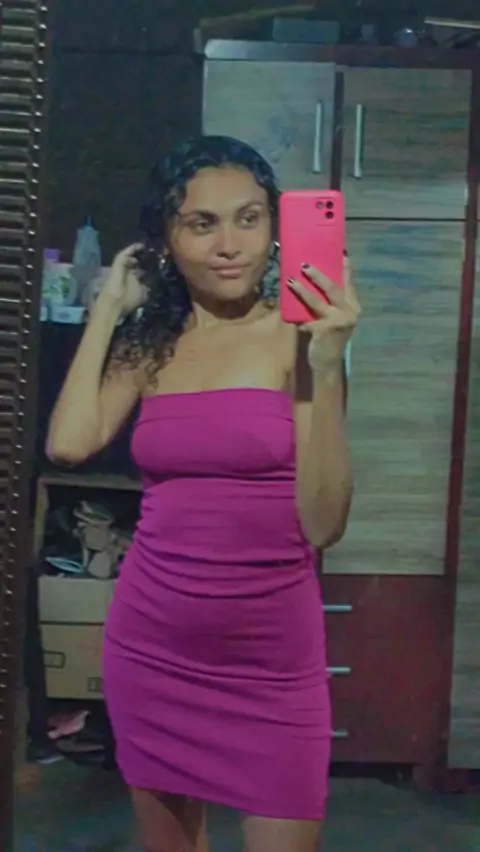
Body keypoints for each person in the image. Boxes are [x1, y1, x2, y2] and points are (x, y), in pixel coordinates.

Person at [47, 136, 359, 852]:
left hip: (271, 663)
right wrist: (107, 309)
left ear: (274, 226)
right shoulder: (151, 342)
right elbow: (68, 442)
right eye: (202, 223)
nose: (229, 246)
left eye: (249, 218)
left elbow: (323, 524)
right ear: (166, 237)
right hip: (152, 650)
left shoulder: (301, 337)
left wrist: (328, 364)